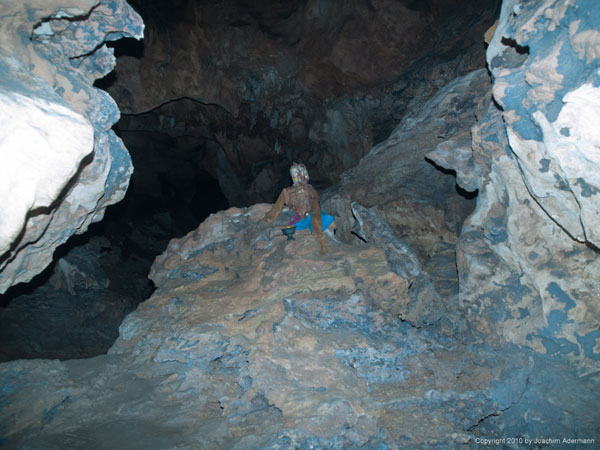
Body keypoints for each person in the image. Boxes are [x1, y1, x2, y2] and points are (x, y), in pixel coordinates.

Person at [263, 162, 334, 254]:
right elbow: (278, 206)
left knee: (326, 219)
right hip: (299, 217)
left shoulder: (310, 189)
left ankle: (316, 235)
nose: (302, 177)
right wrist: (270, 217)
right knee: (297, 226)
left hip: (310, 215)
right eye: (299, 174)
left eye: (303, 173)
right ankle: (283, 232)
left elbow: (315, 204)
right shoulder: (287, 192)